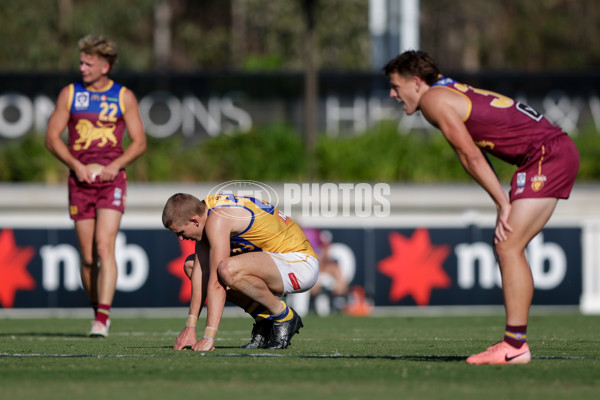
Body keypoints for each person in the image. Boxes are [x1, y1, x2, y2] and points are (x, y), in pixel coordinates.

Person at [383, 50, 579, 365]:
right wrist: (503, 200)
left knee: (508, 244)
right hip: (549, 152)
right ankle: (515, 344)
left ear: (416, 82)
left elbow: (468, 156)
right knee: (508, 245)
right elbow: (474, 148)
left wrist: (503, 203)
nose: (393, 94)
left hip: (546, 155)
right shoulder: (447, 88)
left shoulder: (434, 100)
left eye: (395, 86)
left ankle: (515, 347)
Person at [45, 34, 147, 337]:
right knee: (88, 258)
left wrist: (115, 165)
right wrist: (76, 165)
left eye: (88, 63)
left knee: (105, 246)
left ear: (105, 66)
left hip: (112, 182)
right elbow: (51, 138)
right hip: (80, 183)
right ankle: (96, 309)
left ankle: (102, 318)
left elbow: (139, 142)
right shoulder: (70, 94)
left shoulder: (123, 96)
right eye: (81, 62)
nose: (82, 68)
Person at [162, 193, 319, 351]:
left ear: (194, 220)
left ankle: (284, 316)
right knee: (191, 265)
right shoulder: (205, 212)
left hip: (300, 263)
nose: (181, 239)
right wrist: (190, 326)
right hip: (278, 260)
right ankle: (264, 318)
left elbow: (216, 283)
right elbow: (199, 272)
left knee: (226, 270)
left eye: (181, 233)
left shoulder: (218, 219)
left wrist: (208, 337)